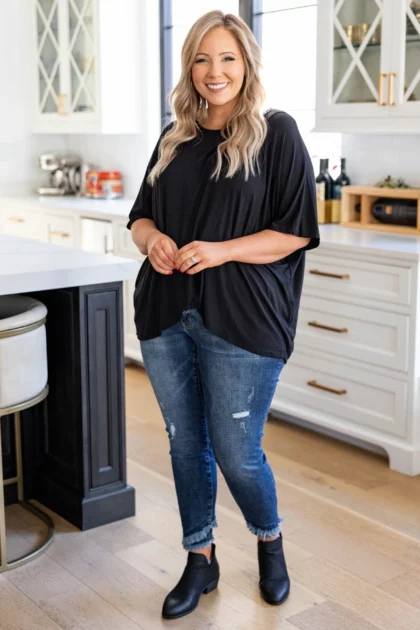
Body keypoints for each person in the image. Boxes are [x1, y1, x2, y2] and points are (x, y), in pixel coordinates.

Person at [127, 10, 320, 621]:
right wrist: (153, 241)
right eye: (202, 59)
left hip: (242, 318)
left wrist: (221, 251)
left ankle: (269, 541)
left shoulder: (276, 132)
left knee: (237, 451)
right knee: (186, 444)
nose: (215, 71)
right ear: (189, 67)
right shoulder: (174, 138)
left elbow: (295, 232)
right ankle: (200, 556)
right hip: (166, 312)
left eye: (227, 58)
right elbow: (139, 218)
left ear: (247, 65)